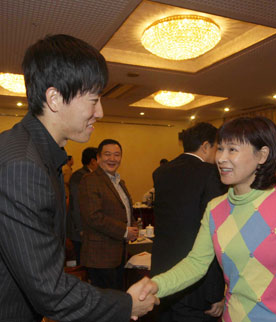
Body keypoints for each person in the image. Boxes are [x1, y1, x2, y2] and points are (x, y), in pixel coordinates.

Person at [0, 34, 157, 322]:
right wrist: (126, 305)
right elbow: (49, 289)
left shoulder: (36, 153)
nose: (100, 112)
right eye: (93, 100)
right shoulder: (20, 165)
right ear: (54, 98)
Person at [137, 116, 276, 321]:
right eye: (220, 148)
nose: (221, 158)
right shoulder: (215, 208)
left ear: (262, 155)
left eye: (232, 150)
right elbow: (196, 263)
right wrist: (156, 285)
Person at [151, 122, 227, 322]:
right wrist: (216, 293)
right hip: (196, 283)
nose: (219, 155)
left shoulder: (161, 172)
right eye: (217, 148)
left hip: (163, 272)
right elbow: (213, 233)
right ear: (205, 146)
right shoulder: (210, 174)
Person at [79, 139, 138, 290]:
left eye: (117, 155)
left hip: (118, 254)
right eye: (107, 154)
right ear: (98, 158)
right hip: (100, 257)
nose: (112, 159)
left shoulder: (119, 181)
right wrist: (125, 231)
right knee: (105, 303)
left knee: (117, 298)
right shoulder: (90, 180)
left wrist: (133, 226)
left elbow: (124, 210)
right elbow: (93, 217)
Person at [67, 147, 98, 264]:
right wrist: (80, 228)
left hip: (88, 228)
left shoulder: (94, 175)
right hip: (79, 229)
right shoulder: (78, 176)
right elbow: (75, 204)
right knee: (83, 263)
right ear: (93, 161)